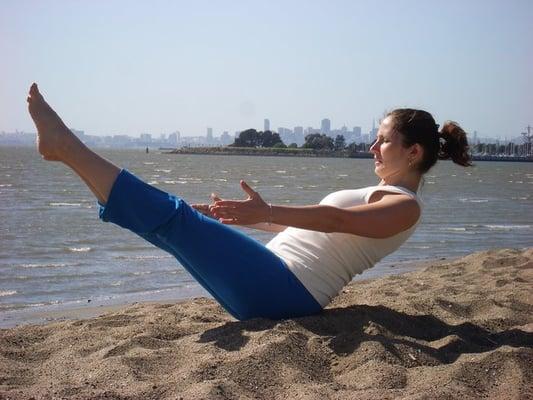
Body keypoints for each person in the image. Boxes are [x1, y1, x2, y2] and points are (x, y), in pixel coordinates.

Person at [27, 83, 472, 321]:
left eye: (384, 141)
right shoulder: (385, 194)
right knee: (170, 226)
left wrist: (266, 210)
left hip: (284, 291)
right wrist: (242, 219)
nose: (373, 149)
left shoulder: (405, 207)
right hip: (273, 276)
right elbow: (312, 233)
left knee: (174, 220)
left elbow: (336, 220)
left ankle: (68, 147)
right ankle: (67, 155)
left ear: (413, 152)